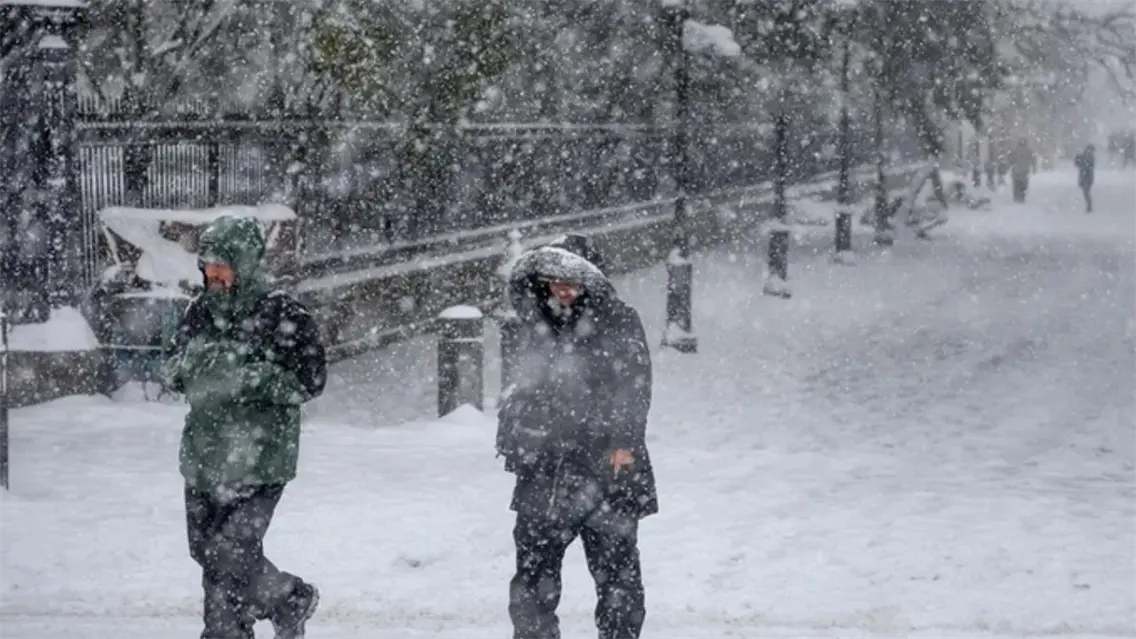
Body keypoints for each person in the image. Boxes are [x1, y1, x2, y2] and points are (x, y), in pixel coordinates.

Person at [163, 215, 326, 639]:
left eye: (222, 264)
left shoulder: (282, 311)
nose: (212, 274)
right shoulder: (198, 311)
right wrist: (193, 368)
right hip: (204, 455)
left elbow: (311, 380)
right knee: (205, 550)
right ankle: (227, 630)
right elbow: (171, 368)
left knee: (229, 551)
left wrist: (250, 376)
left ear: (246, 262)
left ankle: (289, 599)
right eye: (207, 265)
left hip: (260, 457)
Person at [496, 242, 656, 639]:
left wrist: (624, 442)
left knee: (617, 574)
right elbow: (517, 389)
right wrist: (518, 436)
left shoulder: (618, 321)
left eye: (571, 282)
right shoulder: (529, 325)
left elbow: (634, 386)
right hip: (545, 469)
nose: (562, 290)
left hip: (606, 467)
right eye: (553, 282)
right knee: (533, 576)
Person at [1074, 144, 1096, 213]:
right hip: (1087, 176)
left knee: (1086, 192)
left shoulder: (1085, 156)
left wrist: (1079, 160)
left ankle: (1089, 206)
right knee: (1086, 192)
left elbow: (1079, 164)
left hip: (1085, 176)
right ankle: (1089, 206)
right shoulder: (1090, 157)